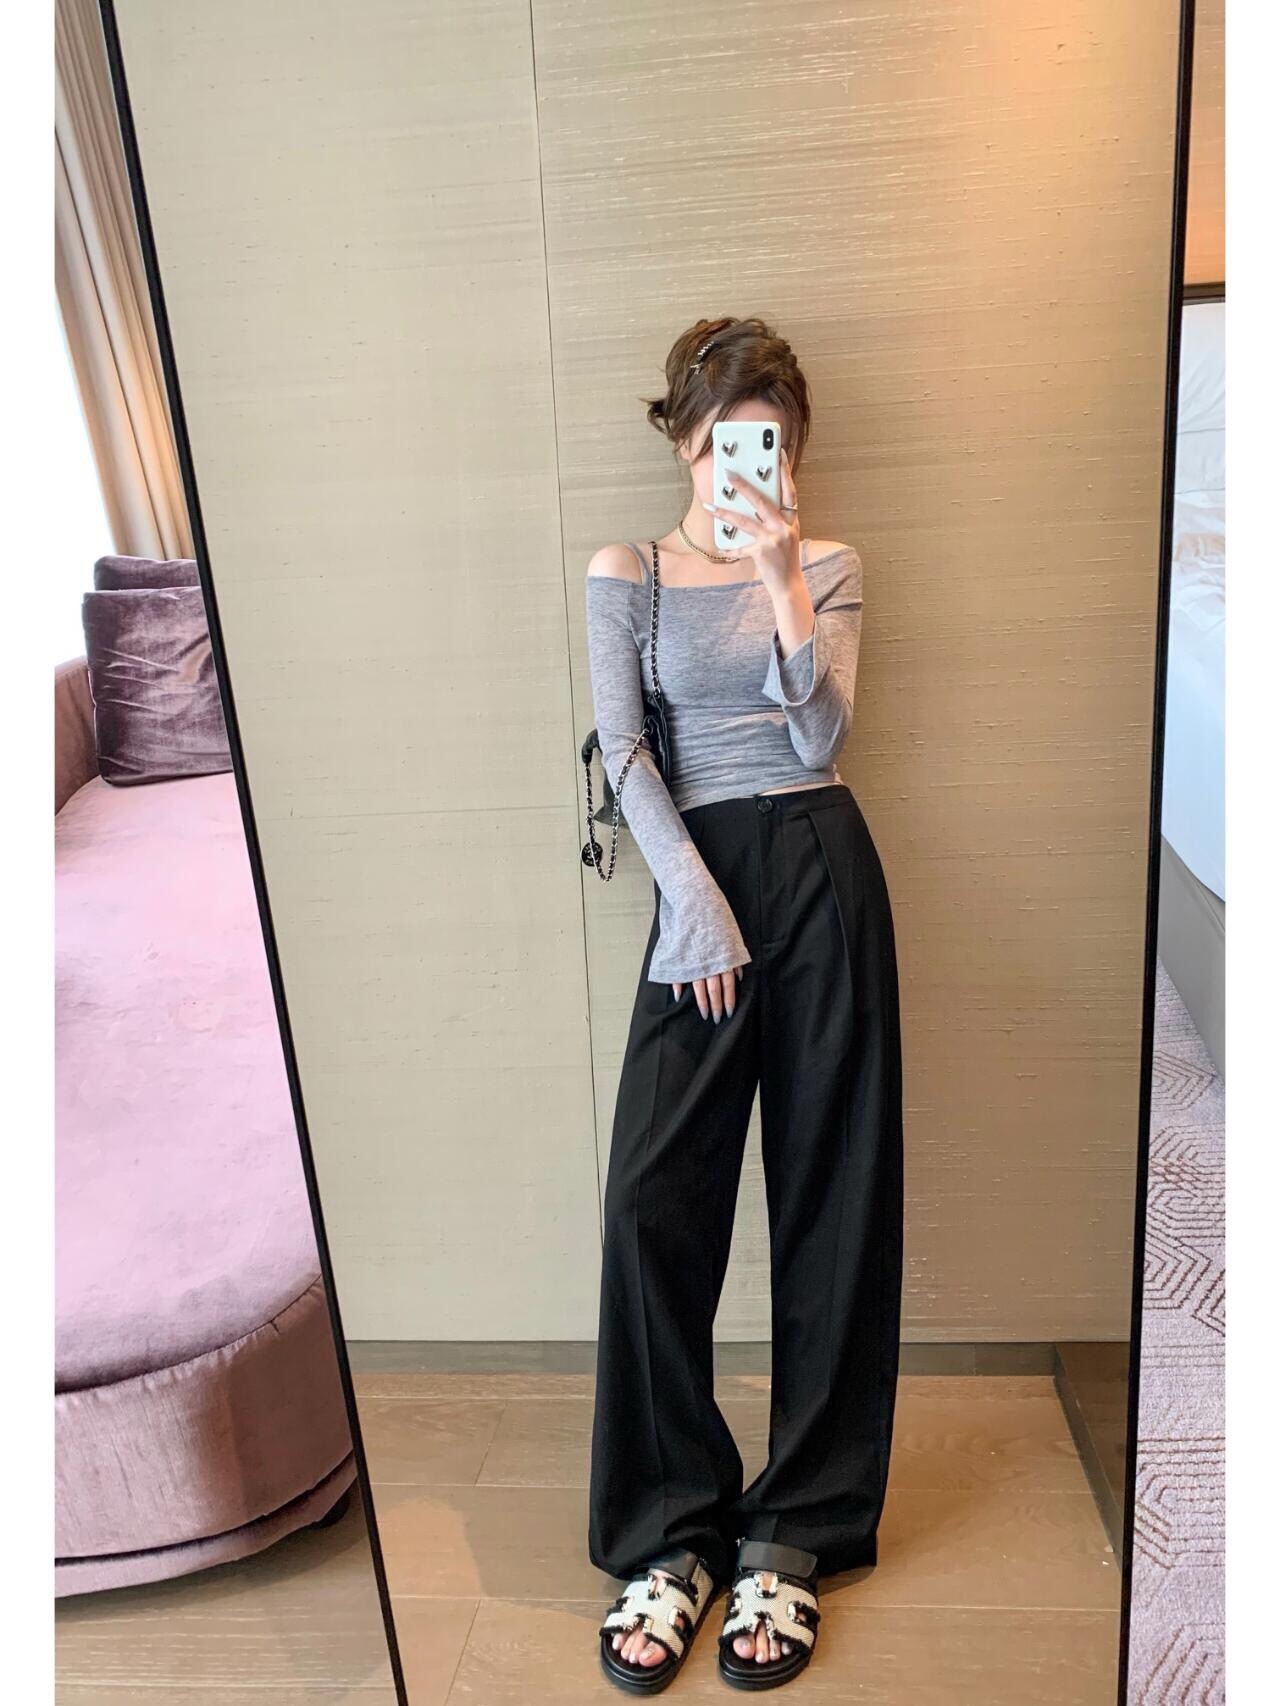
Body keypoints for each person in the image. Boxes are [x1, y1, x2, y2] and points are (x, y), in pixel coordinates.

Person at [584, 315, 903, 1692]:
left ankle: (796, 1531)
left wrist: (781, 582)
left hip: (824, 866)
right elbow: (624, 749)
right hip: (698, 881)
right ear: (684, 441)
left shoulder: (828, 564)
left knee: (834, 1196)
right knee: (650, 1201)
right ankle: (673, 1530)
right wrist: (696, 907)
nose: (748, 468)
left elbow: (823, 736)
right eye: (727, 443)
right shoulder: (629, 570)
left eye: (771, 446)